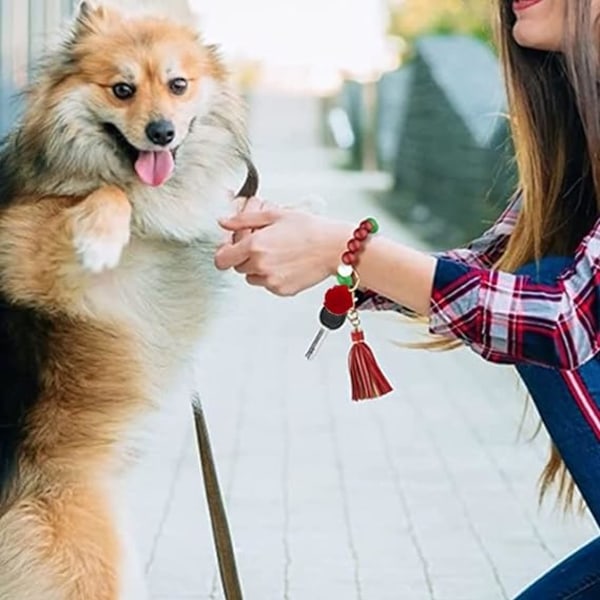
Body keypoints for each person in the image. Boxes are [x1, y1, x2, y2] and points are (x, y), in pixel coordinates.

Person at [214, 0, 600, 597]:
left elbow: (560, 318)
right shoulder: (579, 127)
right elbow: (491, 269)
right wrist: (328, 246)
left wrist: (347, 249)